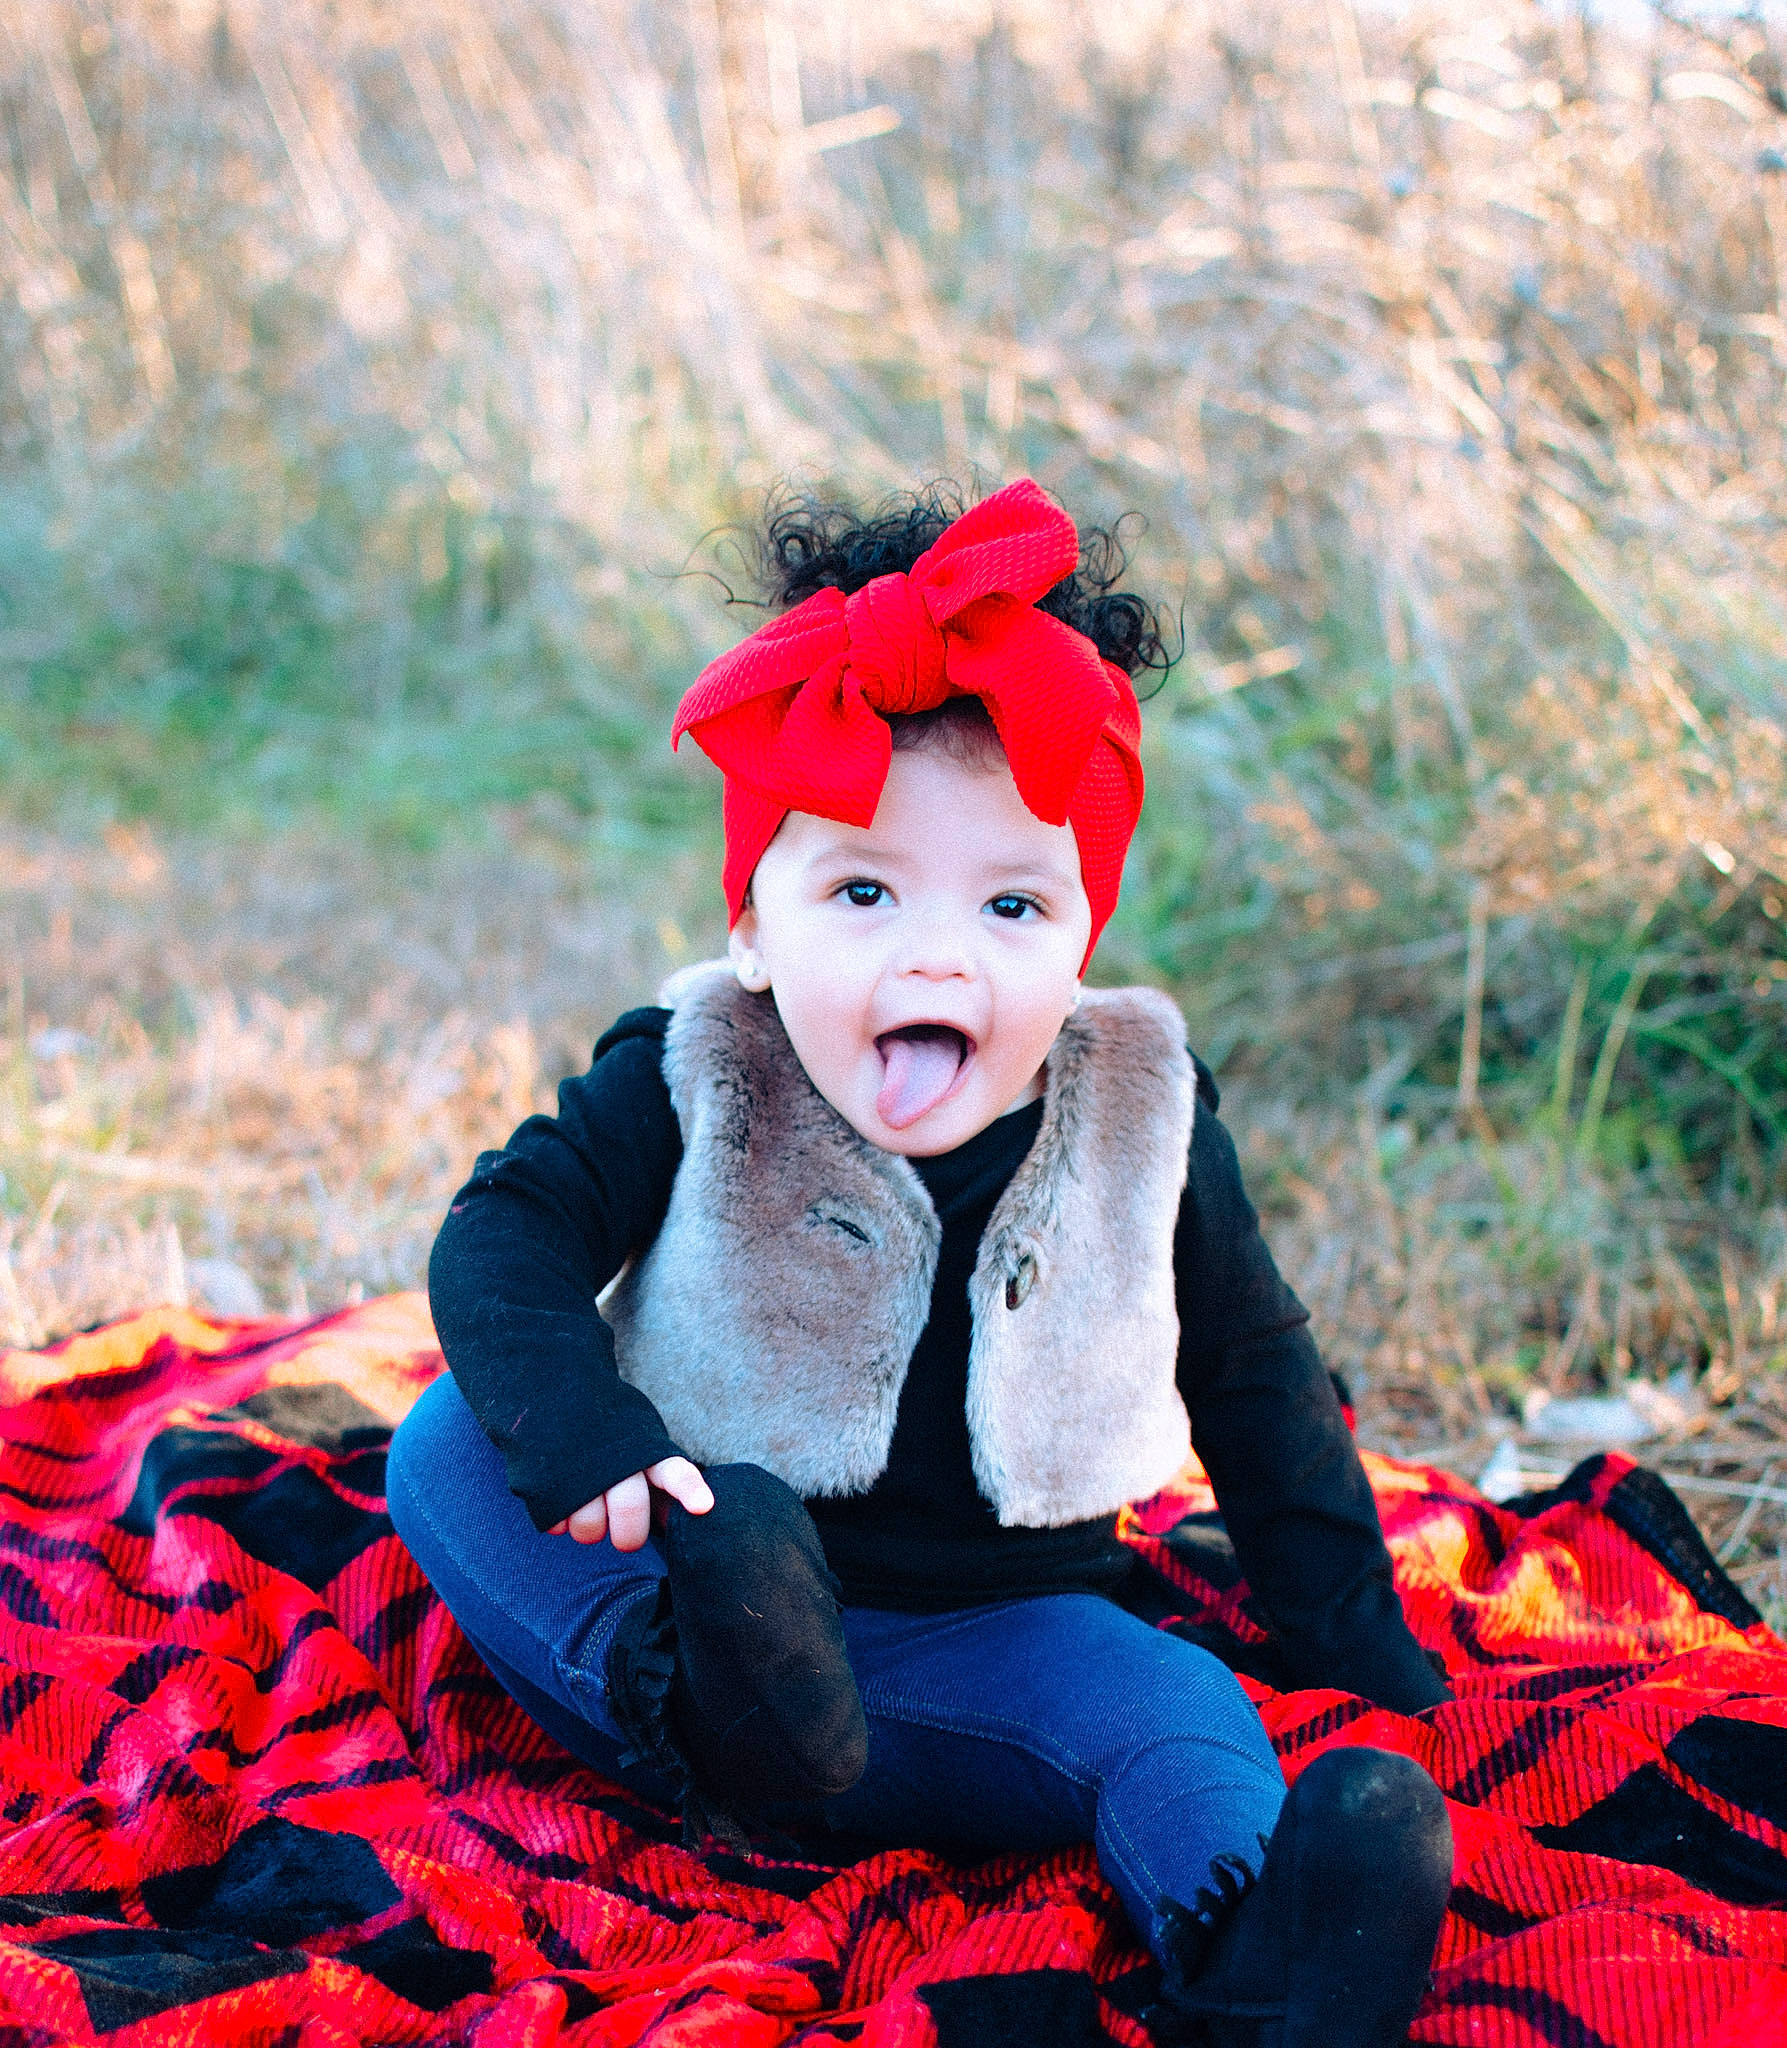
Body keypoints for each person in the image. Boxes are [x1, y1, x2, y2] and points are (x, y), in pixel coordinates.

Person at [386, 478, 1455, 2046]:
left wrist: (1355, 1640)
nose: (936, 954)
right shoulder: (702, 1064)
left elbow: (1255, 1372)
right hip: (703, 1571)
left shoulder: (1143, 1115)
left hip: (1006, 1637)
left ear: (1083, 938)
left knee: (1175, 1718)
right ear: (755, 925)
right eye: (865, 892)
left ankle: (1268, 1963)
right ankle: (703, 1700)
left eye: (1011, 902)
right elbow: (507, 1234)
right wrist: (590, 1438)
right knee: (448, 1443)